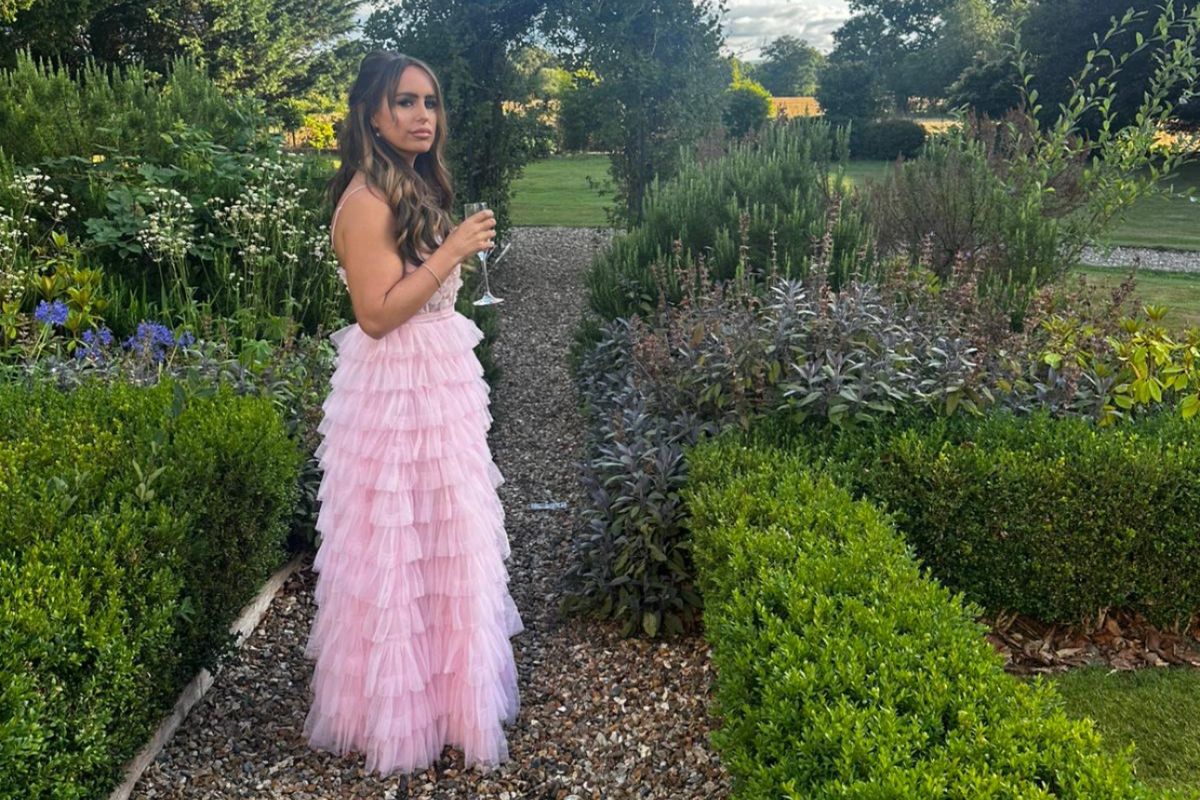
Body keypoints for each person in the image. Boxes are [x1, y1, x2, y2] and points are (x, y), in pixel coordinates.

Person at [302, 50, 524, 777]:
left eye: (429, 102)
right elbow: (374, 314)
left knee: (446, 539)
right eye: (404, 102)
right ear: (372, 113)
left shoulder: (413, 185)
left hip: (438, 383)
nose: (422, 116)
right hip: (396, 390)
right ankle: (394, 714)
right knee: (399, 551)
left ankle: (449, 697)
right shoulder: (366, 200)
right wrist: (454, 249)